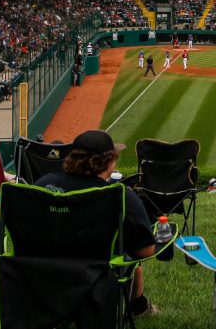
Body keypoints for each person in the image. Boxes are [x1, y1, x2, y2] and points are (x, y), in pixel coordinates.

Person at [35, 130, 158, 318]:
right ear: (109, 162)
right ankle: (139, 306)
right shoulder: (121, 195)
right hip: (96, 282)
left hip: (43, 278)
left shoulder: (44, 184)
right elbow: (146, 250)